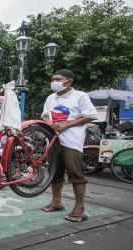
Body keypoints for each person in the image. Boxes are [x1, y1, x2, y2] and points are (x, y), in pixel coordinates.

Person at [40, 69, 97, 222]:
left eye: (57, 79)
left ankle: (80, 208)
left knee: (75, 173)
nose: (54, 82)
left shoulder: (80, 96)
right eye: (53, 79)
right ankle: (57, 201)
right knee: (55, 172)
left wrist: (67, 125)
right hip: (53, 140)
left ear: (69, 81)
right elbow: (44, 114)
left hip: (72, 141)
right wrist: (49, 123)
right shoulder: (51, 98)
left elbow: (90, 115)